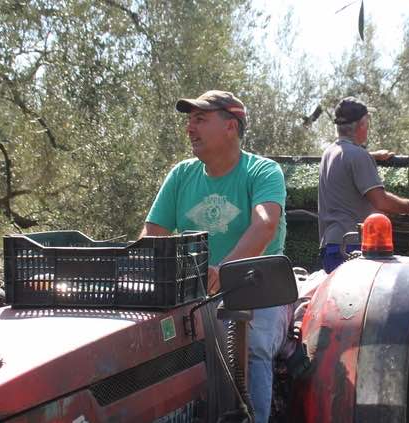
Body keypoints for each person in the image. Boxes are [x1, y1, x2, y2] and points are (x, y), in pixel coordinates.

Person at [142, 90, 289, 423]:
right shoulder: (181, 175)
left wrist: (225, 271)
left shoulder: (263, 172)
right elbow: (153, 235)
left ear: (231, 127)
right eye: (190, 120)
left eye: (200, 120)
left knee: (250, 347)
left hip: (258, 290)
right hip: (194, 293)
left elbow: (265, 226)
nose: (190, 129)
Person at [317, 97, 409, 273]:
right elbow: (381, 202)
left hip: (331, 248)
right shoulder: (358, 156)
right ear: (362, 124)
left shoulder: (329, 152)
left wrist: (371, 156)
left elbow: (347, 162)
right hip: (354, 249)